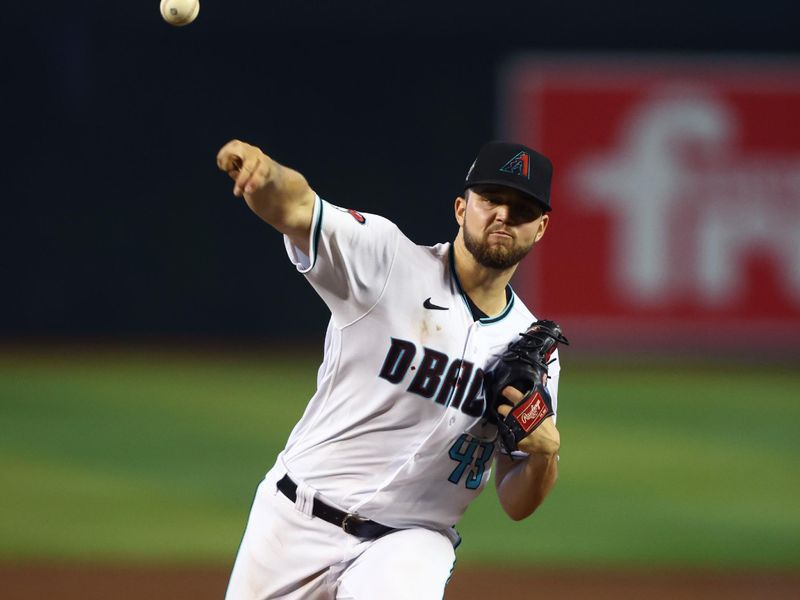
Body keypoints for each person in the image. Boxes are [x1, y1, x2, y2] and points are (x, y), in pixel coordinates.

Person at [217, 139, 563, 600]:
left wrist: (543, 456)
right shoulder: (387, 261)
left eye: (521, 208)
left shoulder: (534, 349)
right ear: (461, 208)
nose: (503, 214)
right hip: (294, 521)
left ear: (540, 228)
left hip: (411, 541)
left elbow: (515, 502)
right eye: (491, 200)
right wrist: (266, 175)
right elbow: (299, 208)